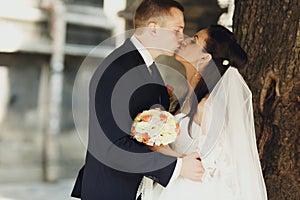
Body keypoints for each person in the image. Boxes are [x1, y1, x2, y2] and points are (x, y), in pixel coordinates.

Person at [71, 1, 205, 199]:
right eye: (177, 30)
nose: (181, 38)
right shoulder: (116, 69)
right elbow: (112, 146)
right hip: (111, 190)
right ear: (153, 28)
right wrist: (176, 167)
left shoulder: (149, 69)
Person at [143, 25, 268, 199]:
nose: (185, 41)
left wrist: (160, 147)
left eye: (194, 41)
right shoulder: (184, 97)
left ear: (204, 57)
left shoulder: (207, 106)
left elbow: (214, 167)